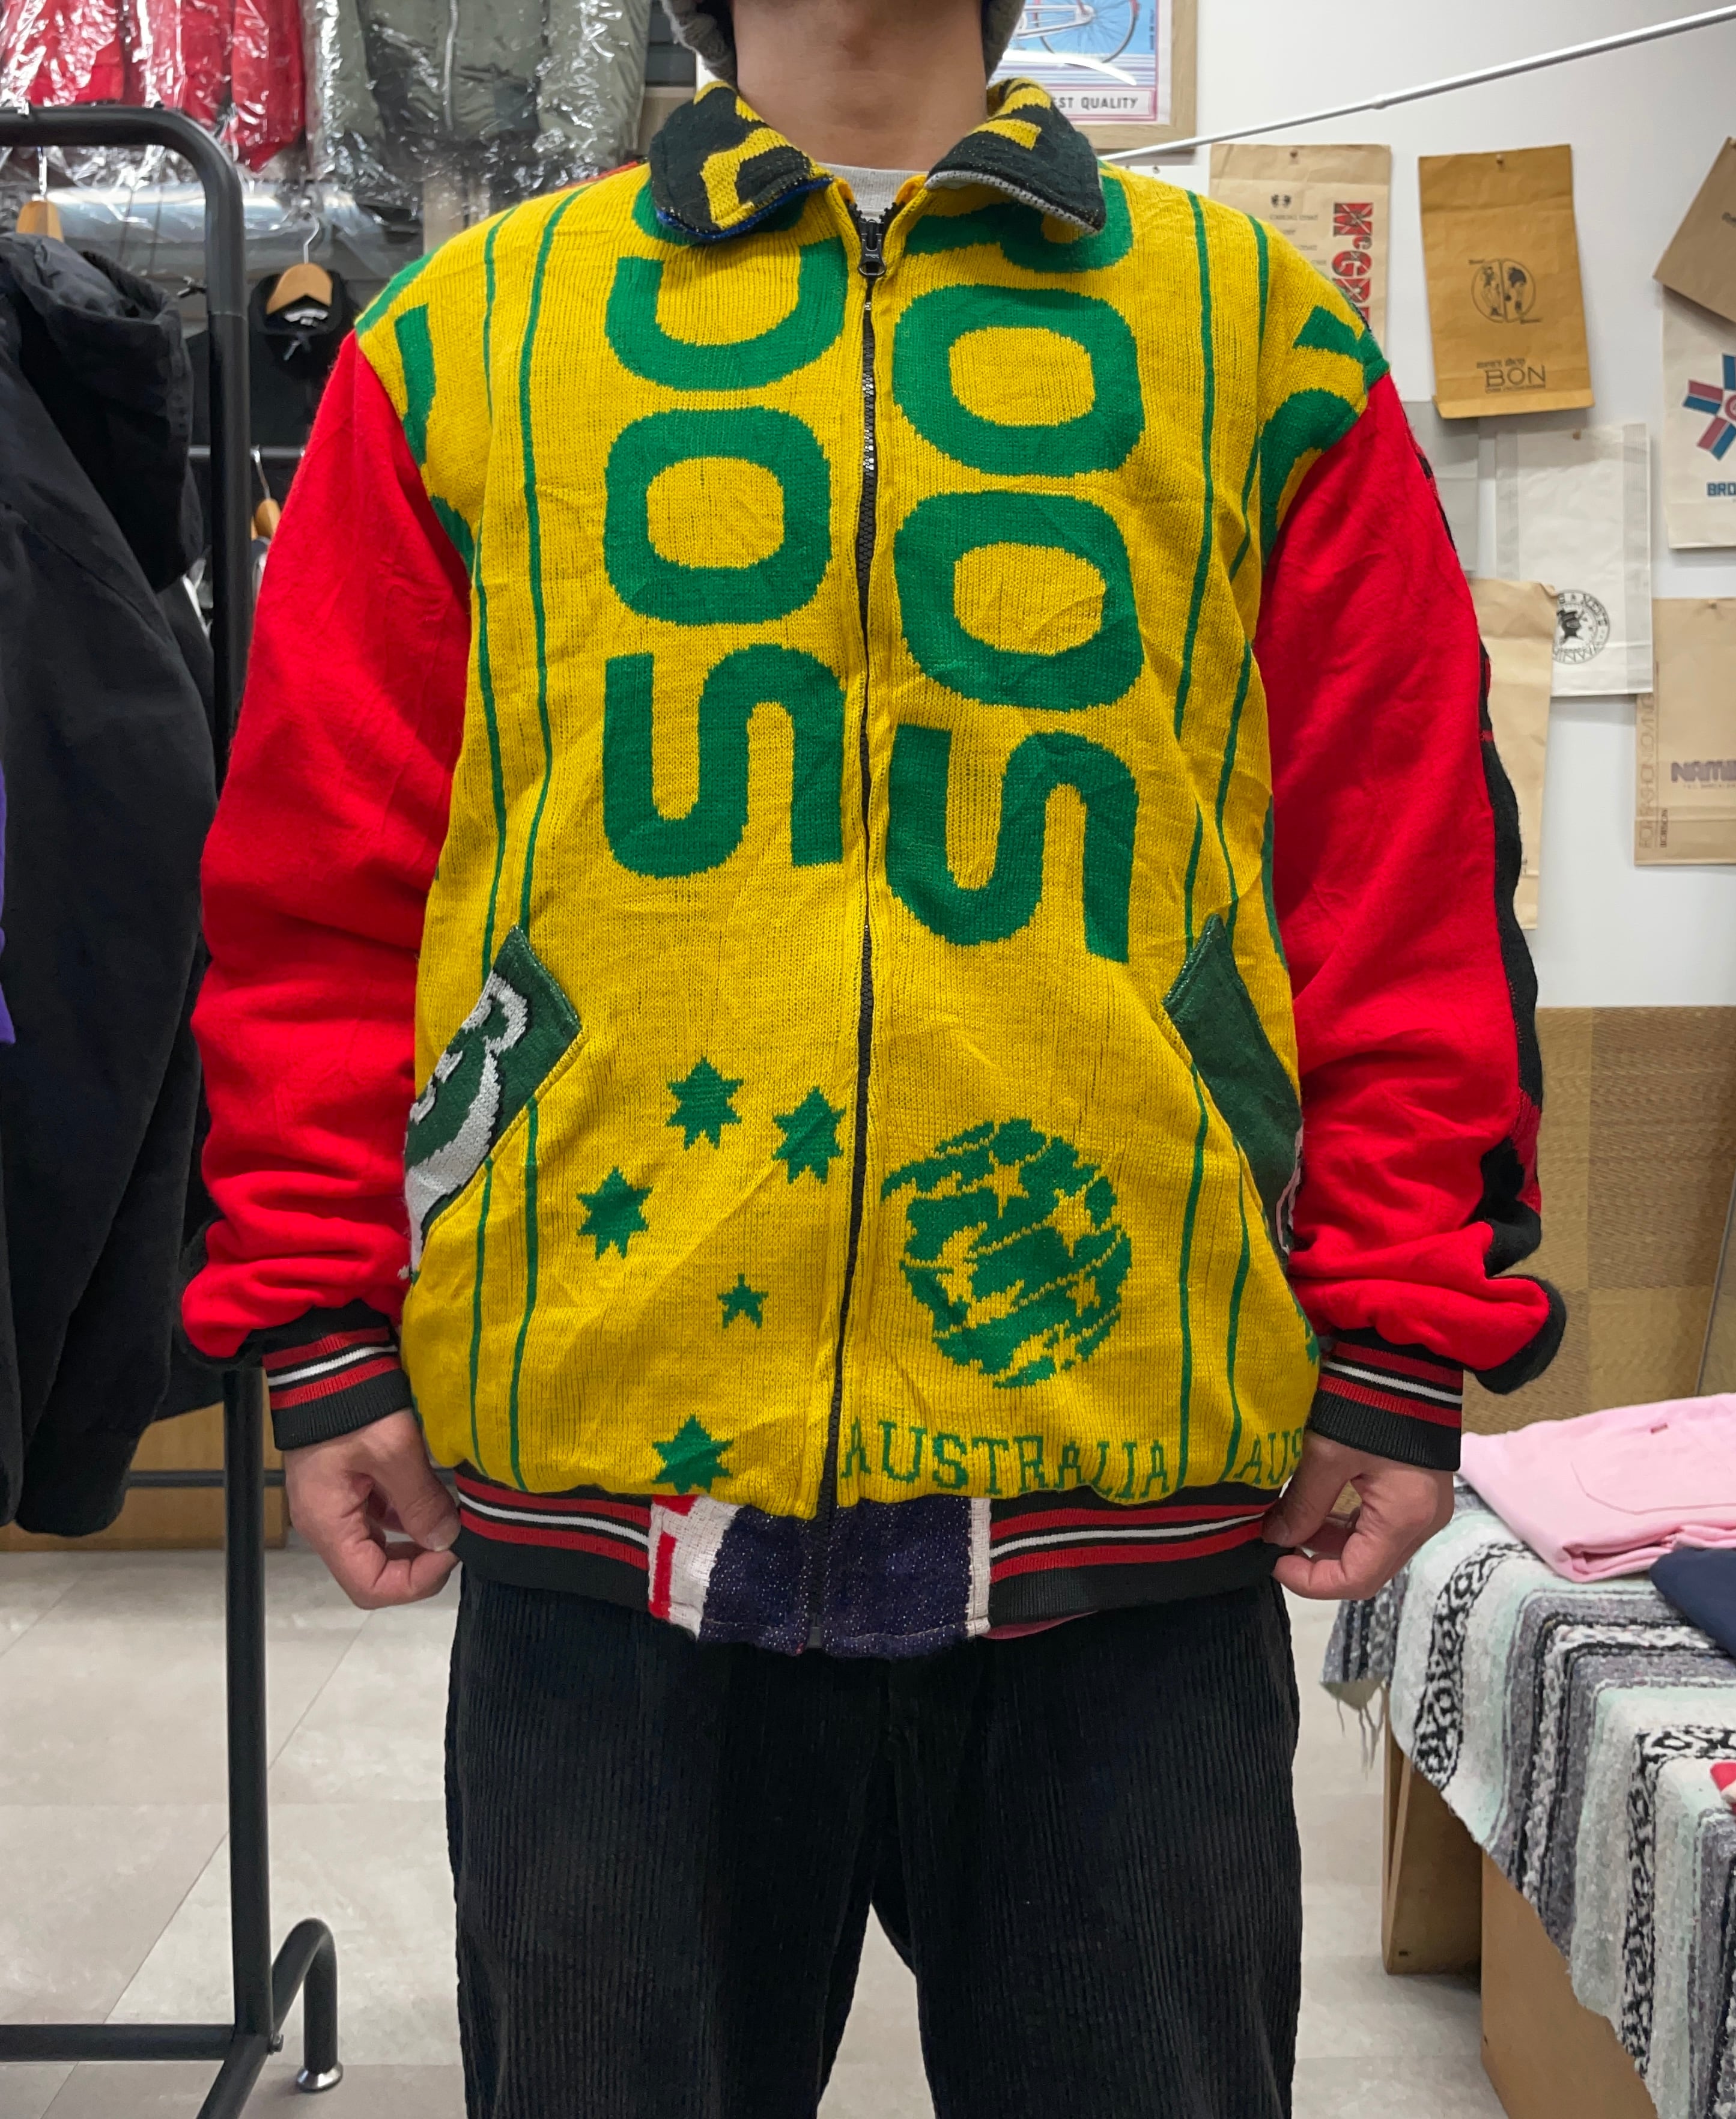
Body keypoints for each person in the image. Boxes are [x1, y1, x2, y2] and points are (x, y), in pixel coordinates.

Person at [183, 0, 1562, 2110]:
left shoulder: (1258, 340)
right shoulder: (468, 342)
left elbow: (1401, 870)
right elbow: (319, 881)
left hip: (1124, 1495)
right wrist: (319, 1315)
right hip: (611, 1490)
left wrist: (1395, 1329)